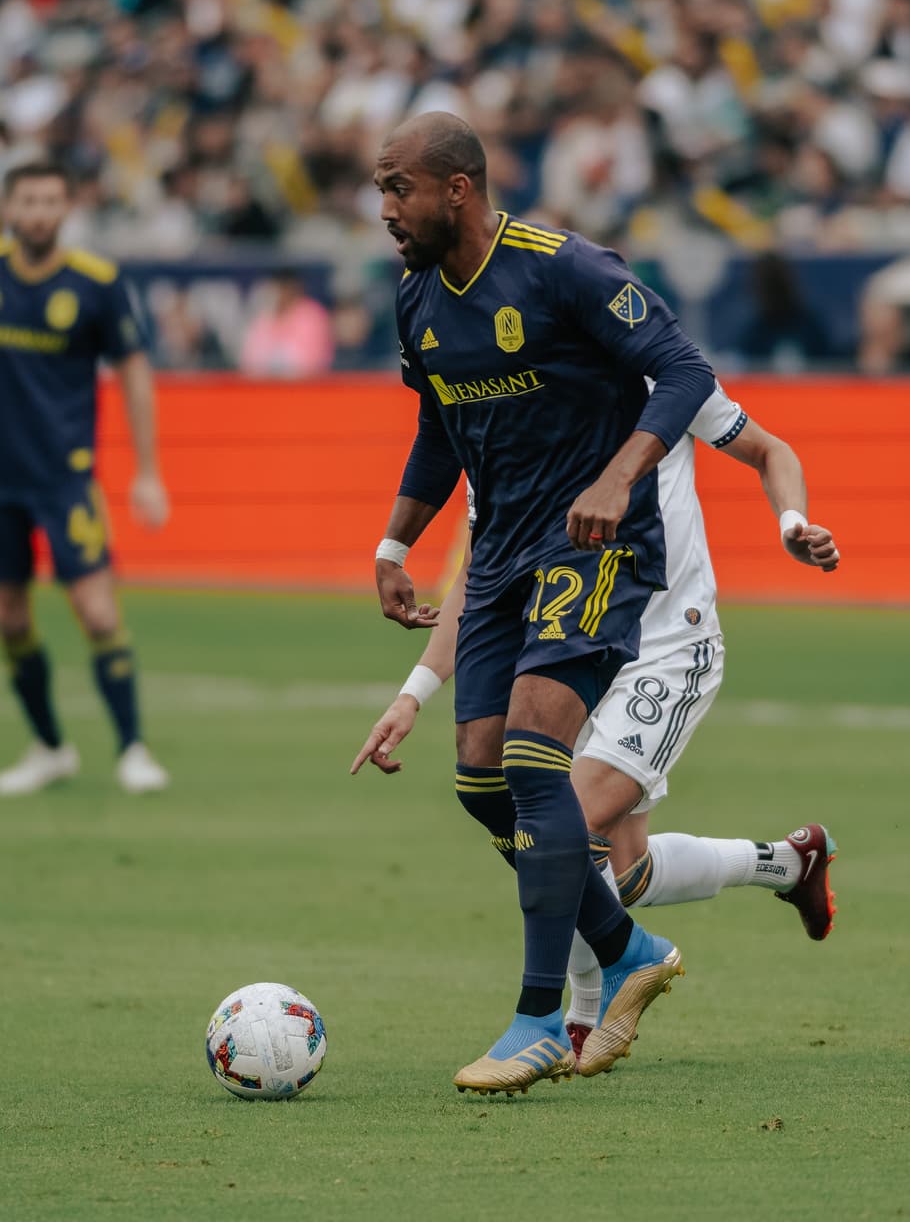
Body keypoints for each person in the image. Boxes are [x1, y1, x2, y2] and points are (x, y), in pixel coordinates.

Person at [369, 112, 824, 1095]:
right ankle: (666, 929)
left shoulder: (573, 284)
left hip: (634, 593)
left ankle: (548, 1017)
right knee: (491, 785)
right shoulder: (417, 303)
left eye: (395, 187)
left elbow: (696, 379)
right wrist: (394, 543)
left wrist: (635, 484)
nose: (383, 209)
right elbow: (439, 435)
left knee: (547, 789)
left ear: (454, 187)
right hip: (506, 571)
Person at [354, 379, 842, 1059]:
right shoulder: (510, 405)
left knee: (561, 826)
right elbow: (481, 574)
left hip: (667, 648)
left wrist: (792, 524)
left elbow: (770, 451)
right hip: (572, 648)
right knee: (625, 872)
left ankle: (577, 1012)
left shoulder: (658, 381)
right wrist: (413, 693)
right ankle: (790, 863)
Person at [0, 160, 171, 797]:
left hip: (66, 478)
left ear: (66, 207)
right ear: (9, 209)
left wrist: (148, 471)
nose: (40, 212)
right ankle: (49, 747)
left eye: (51, 200)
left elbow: (133, 371)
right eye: (29, 201)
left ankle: (133, 748)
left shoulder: (97, 283)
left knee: (98, 613)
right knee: (8, 618)